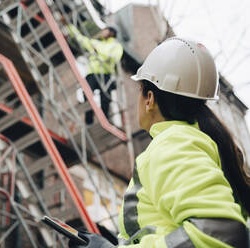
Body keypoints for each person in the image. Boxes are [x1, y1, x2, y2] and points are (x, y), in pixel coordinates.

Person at [69, 37, 250, 247]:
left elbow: (220, 233)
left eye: (140, 90)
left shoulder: (173, 144)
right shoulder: (193, 143)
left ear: (150, 99)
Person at [66, 24, 123, 125]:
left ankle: (105, 120)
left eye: (104, 30)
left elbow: (114, 58)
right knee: (87, 95)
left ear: (111, 32)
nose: (102, 32)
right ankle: (89, 121)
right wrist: (69, 26)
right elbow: (81, 39)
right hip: (92, 73)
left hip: (105, 74)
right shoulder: (96, 43)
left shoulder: (116, 46)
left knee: (105, 99)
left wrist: (98, 51)